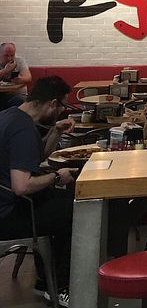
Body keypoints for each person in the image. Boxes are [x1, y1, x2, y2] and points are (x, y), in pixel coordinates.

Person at [0, 76, 77, 307]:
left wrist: (55, 132)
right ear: (52, 103)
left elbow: (33, 157)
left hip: (6, 203)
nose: (62, 111)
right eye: (62, 105)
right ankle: (62, 286)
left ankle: (45, 281)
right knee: (76, 211)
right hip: (8, 214)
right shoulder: (23, 129)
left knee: (63, 200)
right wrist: (56, 177)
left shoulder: (10, 115)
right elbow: (21, 185)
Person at [0, 42, 32, 110]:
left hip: (17, 95)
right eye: (6, 55)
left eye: (12, 55)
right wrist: (5, 71)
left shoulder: (19, 61)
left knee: (21, 100)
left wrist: (20, 79)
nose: (9, 58)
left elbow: (28, 77)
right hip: (2, 95)